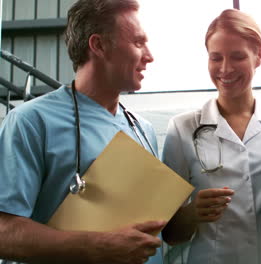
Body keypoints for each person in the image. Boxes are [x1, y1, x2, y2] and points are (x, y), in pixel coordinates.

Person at [0, 0, 166, 263]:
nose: (149, 56)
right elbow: (5, 232)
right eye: (138, 42)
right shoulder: (30, 121)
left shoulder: (143, 130)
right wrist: (97, 246)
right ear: (98, 45)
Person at [161, 9, 261, 264]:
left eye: (237, 57)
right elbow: (170, 235)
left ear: (259, 56)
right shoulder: (182, 129)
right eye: (216, 57)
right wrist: (192, 213)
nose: (225, 68)